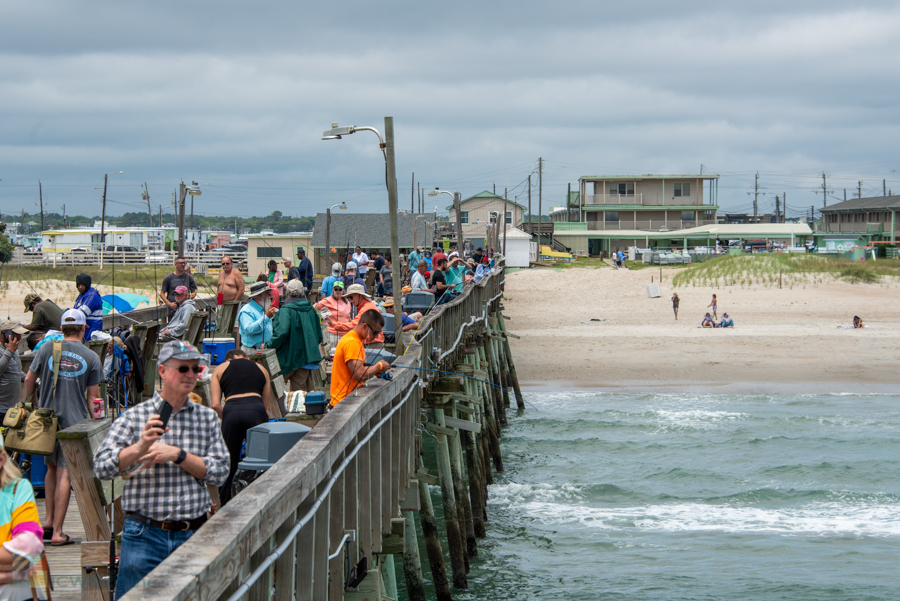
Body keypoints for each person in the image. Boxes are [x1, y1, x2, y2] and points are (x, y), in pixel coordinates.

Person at [94, 341, 229, 598]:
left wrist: (178, 455)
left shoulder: (207, 417)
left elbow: (221, 471)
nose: (191, 374)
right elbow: (101, 467)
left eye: (196, 368)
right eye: (183, 368)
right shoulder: (134, 416)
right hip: (144, 534)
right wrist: (140, 446)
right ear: (163, 371)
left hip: (194, 532)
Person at [24, 309, 102, 546]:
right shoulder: (91, 356)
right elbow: (94, 398)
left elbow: (28, 380)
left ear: (61, 328)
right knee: (65, 472)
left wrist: (34, 405)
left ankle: (47, 522)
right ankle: (58, 532)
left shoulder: (46, 348)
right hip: (74, 422)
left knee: (50, 469)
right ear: (83, 328)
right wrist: (98, 425)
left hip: (47, 420)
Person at [210, 349, 274, 506]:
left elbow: (215, 404)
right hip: (256, 410)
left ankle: (224, 504)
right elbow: (265, 406)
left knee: (228, 461)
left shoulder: (220, 368)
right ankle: (261, 499)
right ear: (247, 358)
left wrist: (228, 418)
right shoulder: (261, 368)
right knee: (260, 460)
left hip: (231, 411)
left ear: (227, 360)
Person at [0, 434, 47, 601]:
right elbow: (21, 563)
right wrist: (10, 574)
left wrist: (19, 567)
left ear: (1, 459)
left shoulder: (18, 489)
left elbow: (28, 547)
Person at [269, 280, 323, 394]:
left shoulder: (285, 310)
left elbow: (282, 332)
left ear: (287, 293)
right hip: (305, 361)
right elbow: (319, 335)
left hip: (287, 360)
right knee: (299, 396)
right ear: (303, 292)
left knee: (276, 393)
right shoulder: (311, 310)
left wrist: (268, 345)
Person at [330, 310, 390, 407]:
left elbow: (359, 370)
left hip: (349, 400)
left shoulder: (356, 340)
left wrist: (373, 371)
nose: (376, 336)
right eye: (375, 332)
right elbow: (360, 375)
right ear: (365, 326)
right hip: (342, 403)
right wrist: (379, 366)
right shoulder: (352, 342)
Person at [237, 282, 275, 354]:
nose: (270, 295)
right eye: (267, 293)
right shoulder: (246, 310)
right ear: (259, 295)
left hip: (265, 350)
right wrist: (266, 317)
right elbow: (249, 330)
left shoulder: (264, 308)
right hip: (252, 351)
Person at [315, 281, 353, 352]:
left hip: (345, 334)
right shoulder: (327, 300)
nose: (338, 291)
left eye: (340, 289)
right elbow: (315, 306)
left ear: (343, 291)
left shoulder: (347, 302)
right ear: (333, 290)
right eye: (336, 289)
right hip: (332, 334)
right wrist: (319, 318)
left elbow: (348, 316)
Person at [0, 320, 27, 413]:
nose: (20, 337)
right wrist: (9, 352)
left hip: (12, 407)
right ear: (5, 332)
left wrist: (31, 380)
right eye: (17, 334)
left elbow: (16, 371)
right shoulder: (8, 350)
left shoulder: (13, 349)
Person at [74, 273, 103, 341]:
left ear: (87, 285)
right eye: (79, 285)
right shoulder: (81, 296)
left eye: (82, 285)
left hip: (91, 335)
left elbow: (81, 314)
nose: (80, 287)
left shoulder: (92, 296)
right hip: (84, 334)